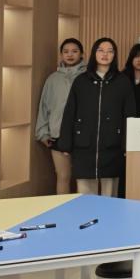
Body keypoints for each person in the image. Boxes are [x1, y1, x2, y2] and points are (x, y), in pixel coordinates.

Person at [56, 38, 136, 197]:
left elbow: (129, 115)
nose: (105, 54)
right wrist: (65, 143)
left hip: (112, 145)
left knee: (110, 195)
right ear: (94, 53)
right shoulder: (81, 81)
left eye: (110, 51)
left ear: (115, 55)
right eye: (101, 50)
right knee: (85, 195)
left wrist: (128, 144)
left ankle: (109, 215)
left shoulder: (123, 82)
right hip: (84, 144)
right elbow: (70, 112)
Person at [35, 38, 85, 195]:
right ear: (61, 54)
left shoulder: (88, 77)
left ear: (82, 54)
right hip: (57, 134)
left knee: (84, 179)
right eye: (66, 51)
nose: (70, 55)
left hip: (83, 135)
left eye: (74, 51)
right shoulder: (53, 79)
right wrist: (43, 133)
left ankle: (84, 209)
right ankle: (63, 209)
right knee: (62, 176)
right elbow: (44, 107)